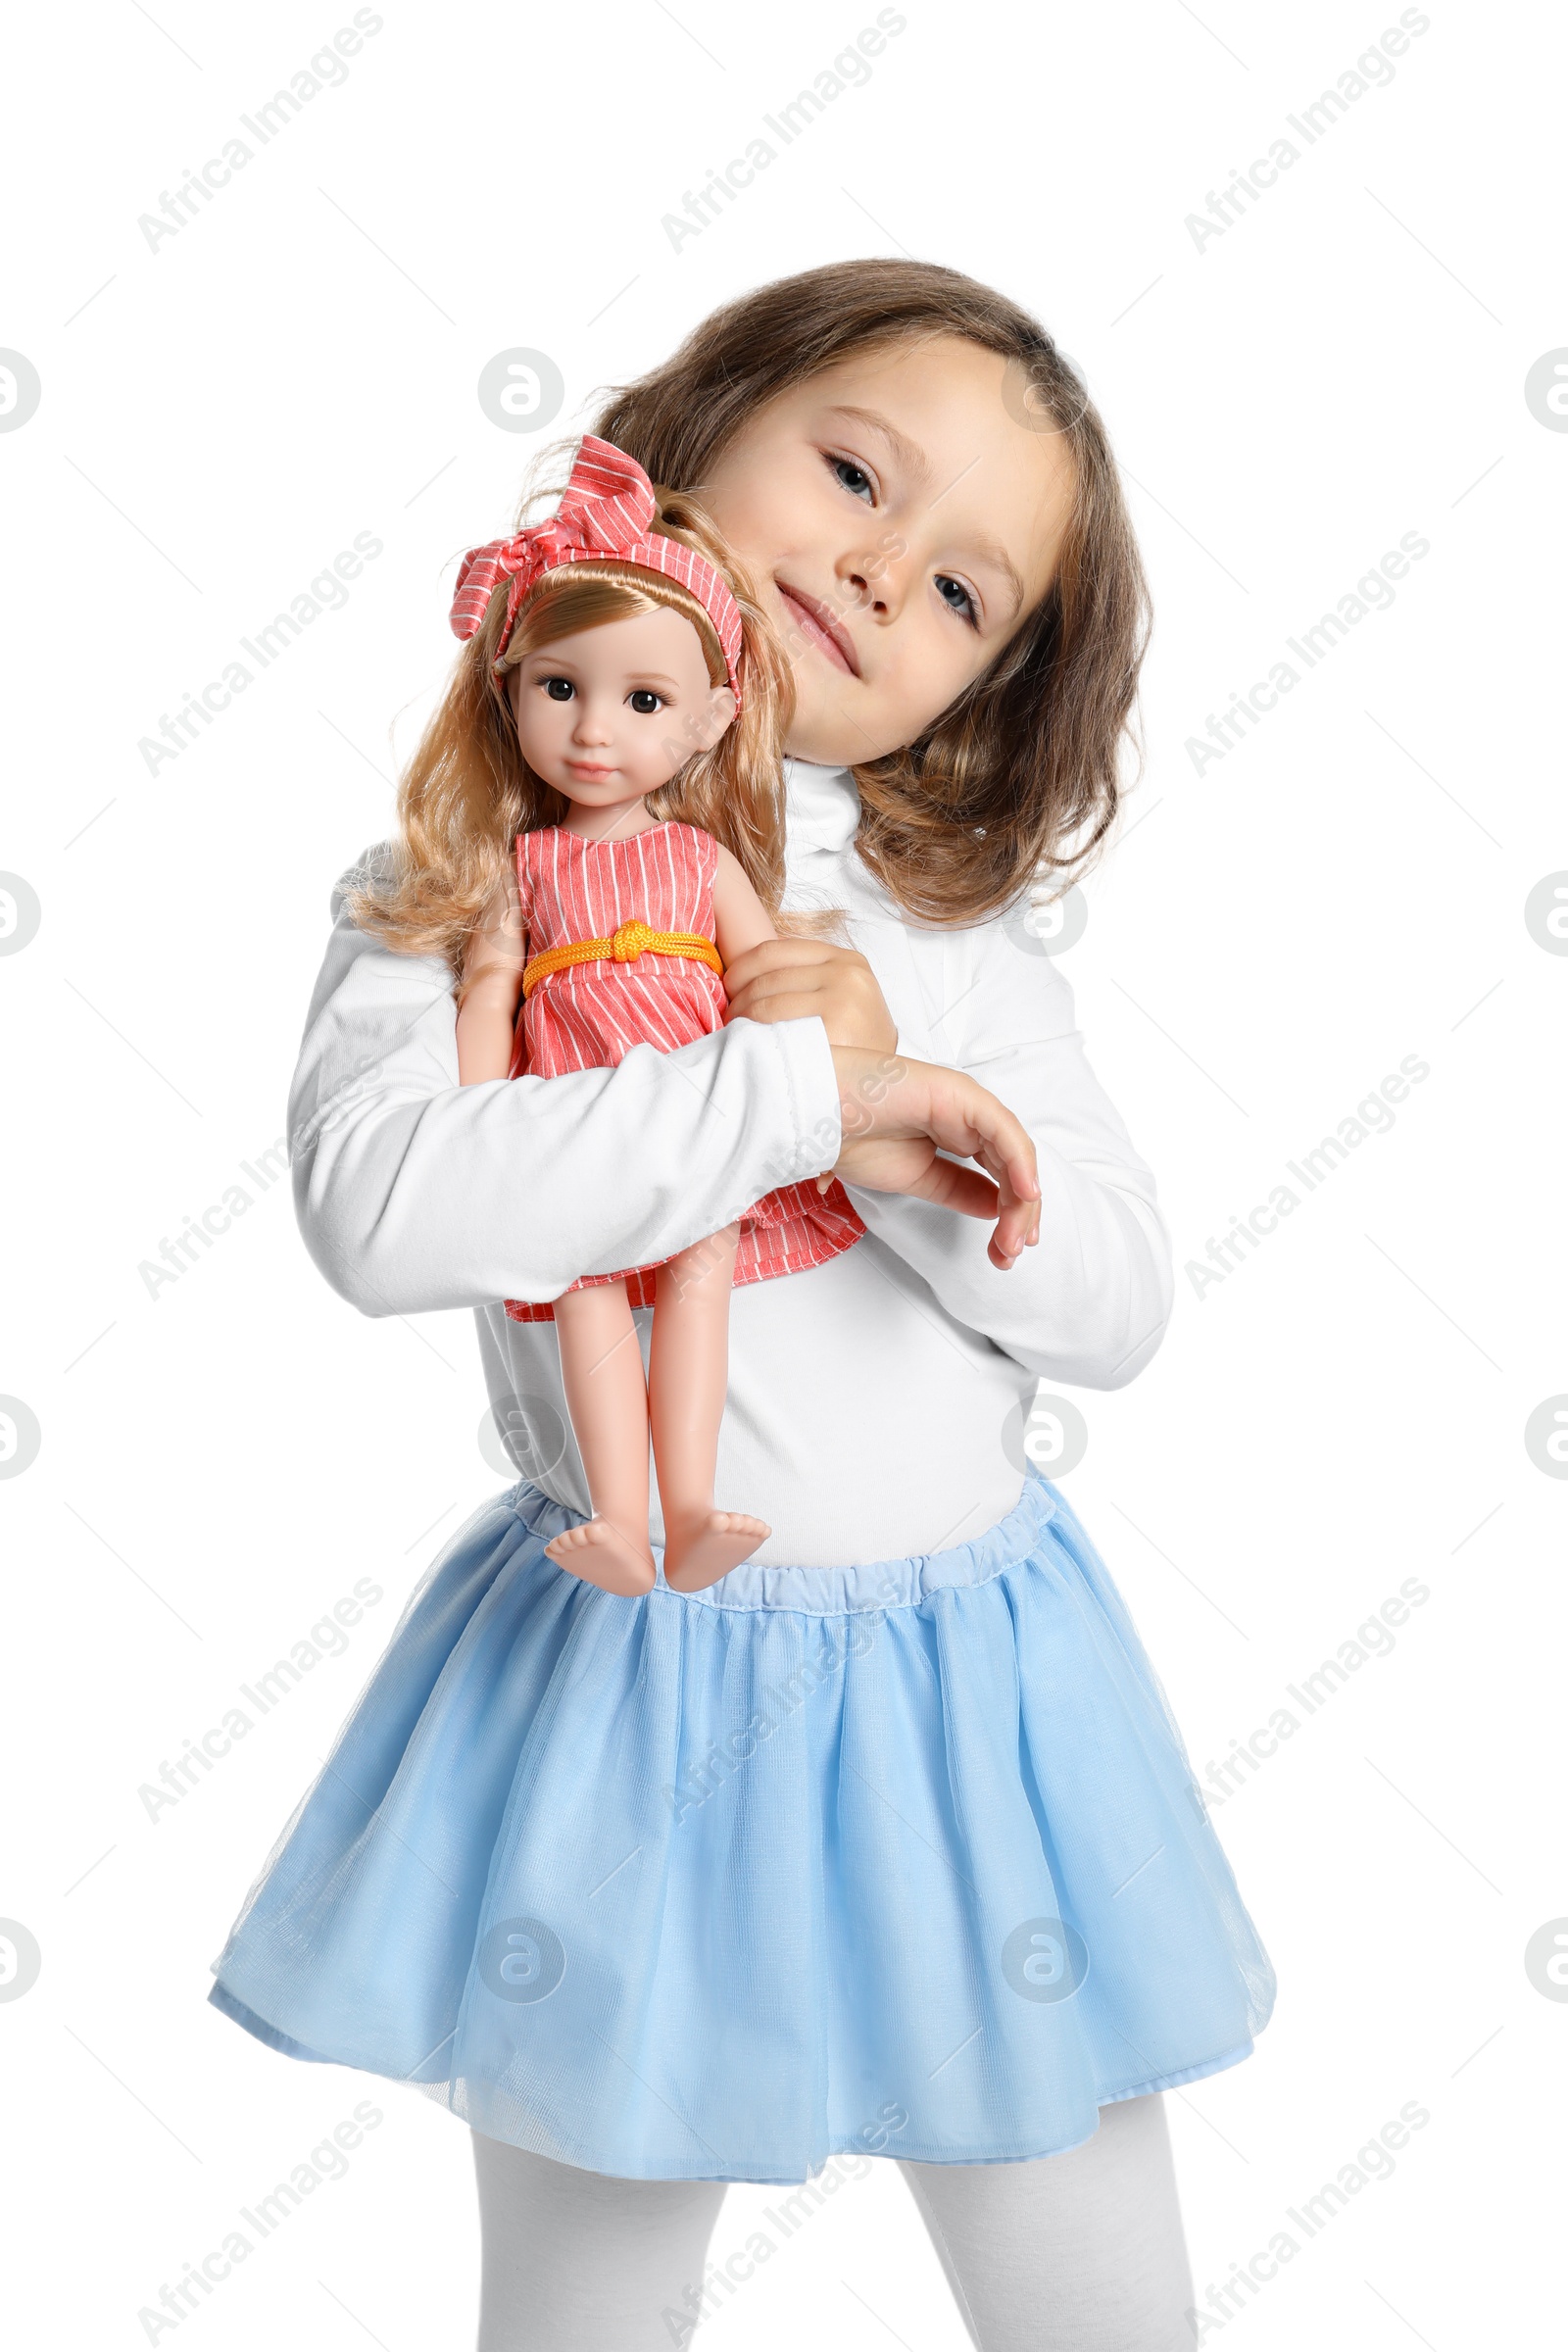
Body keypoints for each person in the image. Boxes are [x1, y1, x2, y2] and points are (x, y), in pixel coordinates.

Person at [208, 259, 1274, 2352]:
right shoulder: (453, 884)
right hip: (633, 1694)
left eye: (961, 596)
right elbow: (382, 1208)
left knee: (1093, 2305)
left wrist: (897, 1150)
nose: (879, 576)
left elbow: (1116, 1301)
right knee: (589, 2305)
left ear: (975, 700)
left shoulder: (938, 939)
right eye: (852, 472)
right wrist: (797, 1093)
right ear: (683, 440)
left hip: (974, 1692)